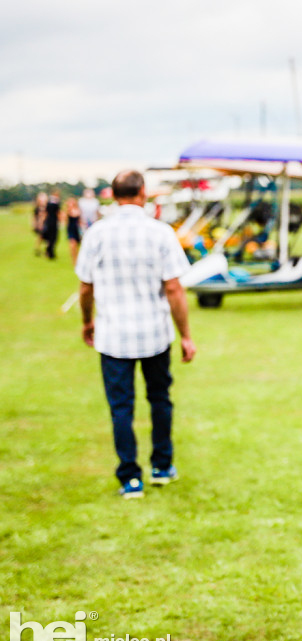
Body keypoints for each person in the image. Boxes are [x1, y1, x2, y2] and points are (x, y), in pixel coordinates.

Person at [75, 170, 196, 499]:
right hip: (154, 332)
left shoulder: (97, 233)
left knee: (121, 408)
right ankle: (161, 464)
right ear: (143, 193)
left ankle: (130, 477)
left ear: (114, 195)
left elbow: (85, 288)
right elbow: (174, 288)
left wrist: (87, 321)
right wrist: (185, 334)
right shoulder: (160, 232)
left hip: (113, 335)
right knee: (159, 399)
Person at [42, 189, 61, 259]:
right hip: (54, 222)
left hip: (48, 221)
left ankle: (49, 251)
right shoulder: (57, 203)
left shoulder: (48, 203)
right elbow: (58, 213)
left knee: (50, 238)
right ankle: (50, 252)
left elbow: (45, 213)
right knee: (53, 238)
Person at [65, 196, 82, 265]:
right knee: (72, 245)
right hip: (71, 229)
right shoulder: (68, 211)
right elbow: (65, 220)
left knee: (77, 246)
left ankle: (77, 259)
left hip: (77, 229)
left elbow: (80, 220)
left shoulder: (78, 210)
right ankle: (74, 260)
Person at [32, 192, 47, 256]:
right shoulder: (37, 208)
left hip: (45, 224)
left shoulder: (46, 207)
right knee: (40, 237)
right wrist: (35, 224)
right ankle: (37, 248)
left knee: (46, 238)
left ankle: (45, 250)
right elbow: (34, 217)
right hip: (39, 225)